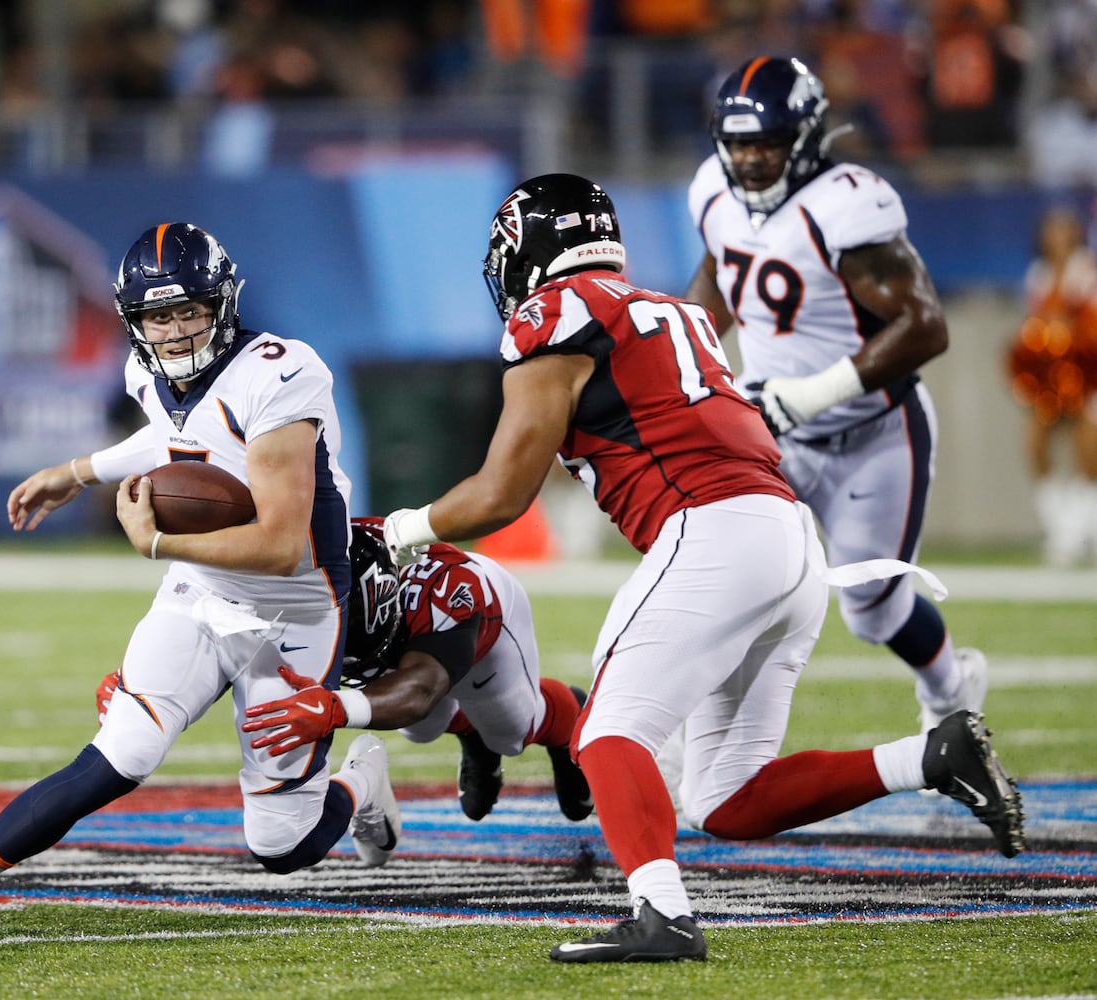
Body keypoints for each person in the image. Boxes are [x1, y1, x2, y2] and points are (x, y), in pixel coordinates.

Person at [379, 173, 1025, 962]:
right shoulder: (676, 312)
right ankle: (931, 755)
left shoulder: (557, 316)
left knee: (608, 734)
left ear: (532, 252)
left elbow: (500, 494)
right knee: (722, 797)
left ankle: (664, 917)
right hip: (788, 540)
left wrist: (409, 527)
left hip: (712, 532)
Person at [0, 222, 400, 927]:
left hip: (294, 607)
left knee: (281, 844)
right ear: (134, 320)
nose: (175, 332)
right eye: (158, 315)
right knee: (120, 753)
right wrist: (78, 472)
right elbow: (173, 434)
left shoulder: (279, 373)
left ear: (223, 303)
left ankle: (361, 786)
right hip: (202, 590)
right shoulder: (145, 372)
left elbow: (281, 545)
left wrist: (155, 546)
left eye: (189, 310)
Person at [683, 56, 987, 736]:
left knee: (873, 609)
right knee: (725, 579)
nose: (752, 160)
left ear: (807, 136)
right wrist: (690, 369)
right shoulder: (713, 193)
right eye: (739, 144)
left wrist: (813, 395)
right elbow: (717, 273)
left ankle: (951, 689)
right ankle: (684, 744)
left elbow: (926, 325)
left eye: (768, 143)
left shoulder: (845, 203)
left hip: (874, 434)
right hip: (774, 436)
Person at [237, 517, 591, 823]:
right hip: (407, 644)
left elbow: (421, 689)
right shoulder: (321, 569)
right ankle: (473, 734)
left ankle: (566, 716)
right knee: (419, 729)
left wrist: (335, 709)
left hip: (486, 630)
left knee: (511, 734)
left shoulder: (446, 589)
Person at [1007, 206, 1097, 565]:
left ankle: (1082, 528)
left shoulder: (1087, 271)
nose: (1057, 238)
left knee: (1087, 448)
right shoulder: (1038, 275)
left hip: (1088, 371)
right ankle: (1061, 527)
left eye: (1064, 231)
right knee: (1035, 443)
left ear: (1076, 234)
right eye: (1051, 231)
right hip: (1051, 376)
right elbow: (1034, 325)